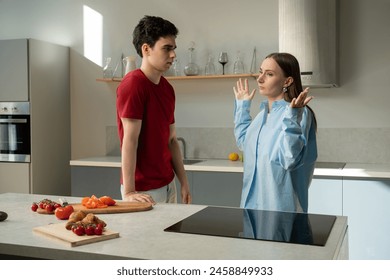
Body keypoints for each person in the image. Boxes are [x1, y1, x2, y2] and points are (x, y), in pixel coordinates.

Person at [116, 15, 191, 204]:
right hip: (143, 190)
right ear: (146, 49)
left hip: (168, 183)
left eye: (173, 49)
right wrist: (130, 191)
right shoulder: (133, 84)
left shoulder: (167, 88)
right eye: (167, 48)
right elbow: (130, 141)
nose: (173, 54)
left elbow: (172, 140)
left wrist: (183, 182)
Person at [233, 52, 317, 213]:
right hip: (251, 206)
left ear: (287, 81)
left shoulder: (299, 113)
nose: (260, 79)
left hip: (281, 209)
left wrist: (293, 116)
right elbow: (245, 144)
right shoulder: (262, 114)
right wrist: (243, 107)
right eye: (260, 72)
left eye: (269, 74)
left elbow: (289, 159)